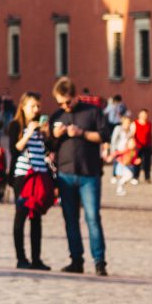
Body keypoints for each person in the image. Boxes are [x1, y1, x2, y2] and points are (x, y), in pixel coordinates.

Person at [49, 76, 107, 276]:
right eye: (60, 103)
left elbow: (103, 136)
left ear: (75, 97)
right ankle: (76, 260)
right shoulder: (56, 117)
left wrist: (81, 133)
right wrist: (55, 136)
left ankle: (99, 261)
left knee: (92, 217)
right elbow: (50, 146)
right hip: (65, 174)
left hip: (89, 173)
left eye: (67, 101)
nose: (64, 106)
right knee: (70, 219)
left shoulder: (92, 112)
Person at [8, 91, 52, 270]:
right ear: (23, 107)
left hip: (40, 176)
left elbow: (49, 150)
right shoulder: (15, 125)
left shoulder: (41, 128)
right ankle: (21, 258)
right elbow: (15, 149)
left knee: (37, 218)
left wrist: (48, 134)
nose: (36, 110)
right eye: (32, 106)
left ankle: (36, 259)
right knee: (21, 217)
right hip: (23, 177)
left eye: (38, 106)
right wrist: (28, 133)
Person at [110, 115, 138, 195]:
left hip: (127, 152)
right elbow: (113, 140)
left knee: (129, 166)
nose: (127, 124)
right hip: (119, 150)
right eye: (126, 122)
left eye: (129, 123)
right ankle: (115, 177)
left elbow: (132, 143)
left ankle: (124, 181)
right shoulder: (118, 129)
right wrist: (113, 151)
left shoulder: (130, 131)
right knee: (119, 166)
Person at [133, 108, 152, 183]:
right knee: (137, 162)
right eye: (142, 114)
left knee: (147, 163)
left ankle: (147, 177)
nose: (144, 116)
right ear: (139, 115)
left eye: (145, 114)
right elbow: (132, 135)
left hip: (147, 146)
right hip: (138, 146)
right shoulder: (135, 123)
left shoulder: (149, 124)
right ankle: (135, 177)